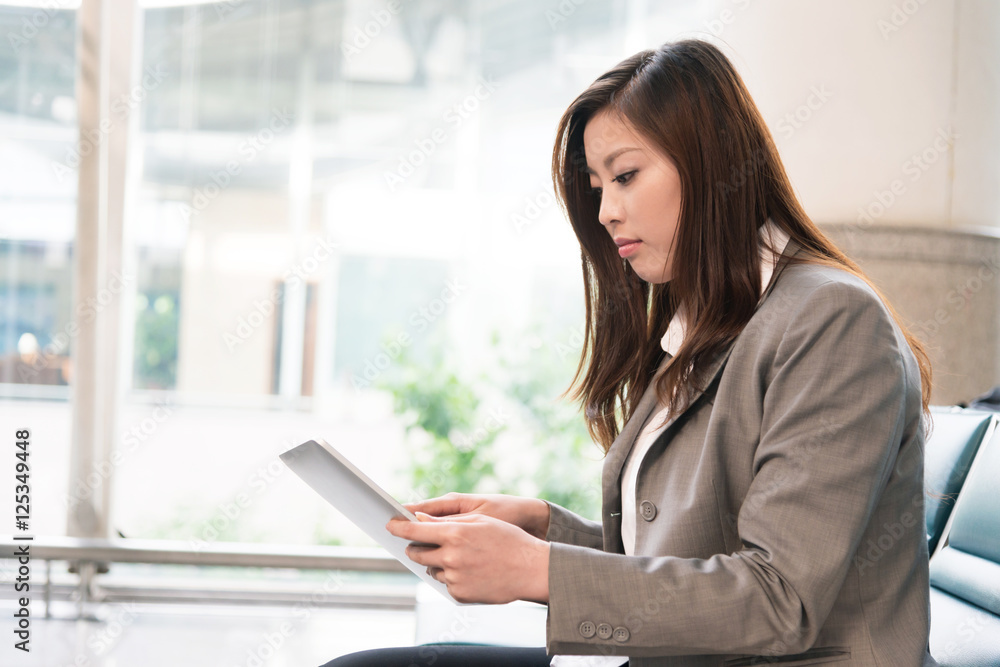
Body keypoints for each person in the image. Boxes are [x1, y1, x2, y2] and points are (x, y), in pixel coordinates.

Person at [322, 38, 938, 667]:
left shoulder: (832, 320)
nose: (607, 211)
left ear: (710, 164)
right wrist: (543, 530)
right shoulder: (705, 320)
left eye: (625, 176)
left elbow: (778, 600)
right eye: (596, 187)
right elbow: (689, 554)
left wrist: (542, 571)